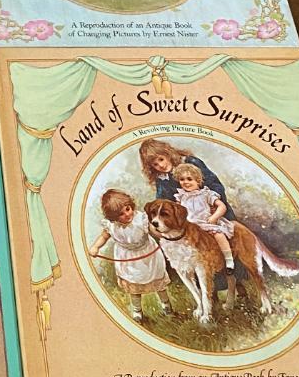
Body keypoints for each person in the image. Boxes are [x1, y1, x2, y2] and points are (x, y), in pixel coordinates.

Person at [88, 189, 173, 322]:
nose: (127, 214)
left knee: (159, 283)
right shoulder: (111, 225)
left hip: (148, 255)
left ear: (131, 205)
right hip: (127, 259)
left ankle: (166, 306)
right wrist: (95, 247)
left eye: (127, 209)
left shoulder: (141, 219)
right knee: (134, 287)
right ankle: (137, 310)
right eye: (121, 214)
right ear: (113, 217)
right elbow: (104, 237)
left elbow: (153, 230)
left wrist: (165, 236)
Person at [138, 138, 235, 220]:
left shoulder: (190, 162)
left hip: (212, 210)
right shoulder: (161, 179)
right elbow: (163, 201)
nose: (161, 165)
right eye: (155, 164)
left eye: (161, 159)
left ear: (167, 154)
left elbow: (214, 184)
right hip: (189, 217)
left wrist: (213, 204)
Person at [173, 162, 235, 271]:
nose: (185, 182)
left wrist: (214, 217)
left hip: (205, 223)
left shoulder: (206, 194)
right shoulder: (181, 197)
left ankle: (229, 259)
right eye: (182, 179)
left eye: (189, 179)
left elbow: (222, 206)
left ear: (198, 180)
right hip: (189, 227)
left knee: (218, 234)